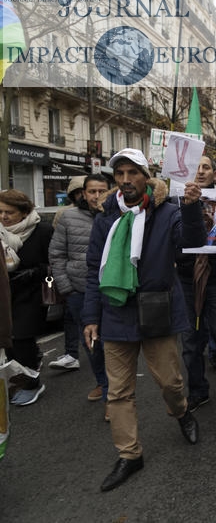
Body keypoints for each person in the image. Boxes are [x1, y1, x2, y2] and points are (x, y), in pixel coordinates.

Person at [82, 148, 206, 491]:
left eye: (132, 173)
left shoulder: (167, 213)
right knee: (119, 392)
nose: (125, 180)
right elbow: (95, 269)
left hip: (156, 310)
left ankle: (181, 412)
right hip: (114, 311)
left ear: (146, 175)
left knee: (169, 382)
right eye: (119, 174)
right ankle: (129, 455)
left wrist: (193, 208)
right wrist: (90, 316)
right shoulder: (106, 217)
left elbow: (192, 242)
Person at [176, 156, 216, 412]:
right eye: (195, 166)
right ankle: (198, 391)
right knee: (191, 342)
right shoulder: (175, 201)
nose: (200, 171)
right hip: (187, 279)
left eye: (205, 167)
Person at [48, 174, 111, 410]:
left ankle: (112, 393)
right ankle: (104, 384)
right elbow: (56, 254)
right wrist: (67, 288)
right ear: (83, 193)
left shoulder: (116, 215)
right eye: (92, 191)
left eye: (101, 191)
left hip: (111, 291)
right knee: (92, 344)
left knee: (112, 345)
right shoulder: (68, 218)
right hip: (80, 292)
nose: (96, 196)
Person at [0, 189, 52, 406]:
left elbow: (52, 263)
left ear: (24, 212)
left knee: (21, 338)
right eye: (0, 212)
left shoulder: (42, 231)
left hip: (31, 293)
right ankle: (19, 377)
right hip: (5, 294)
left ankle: (33, 383)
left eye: (8, 212)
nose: (3, 217)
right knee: (8, 341)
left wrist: (33, 273)